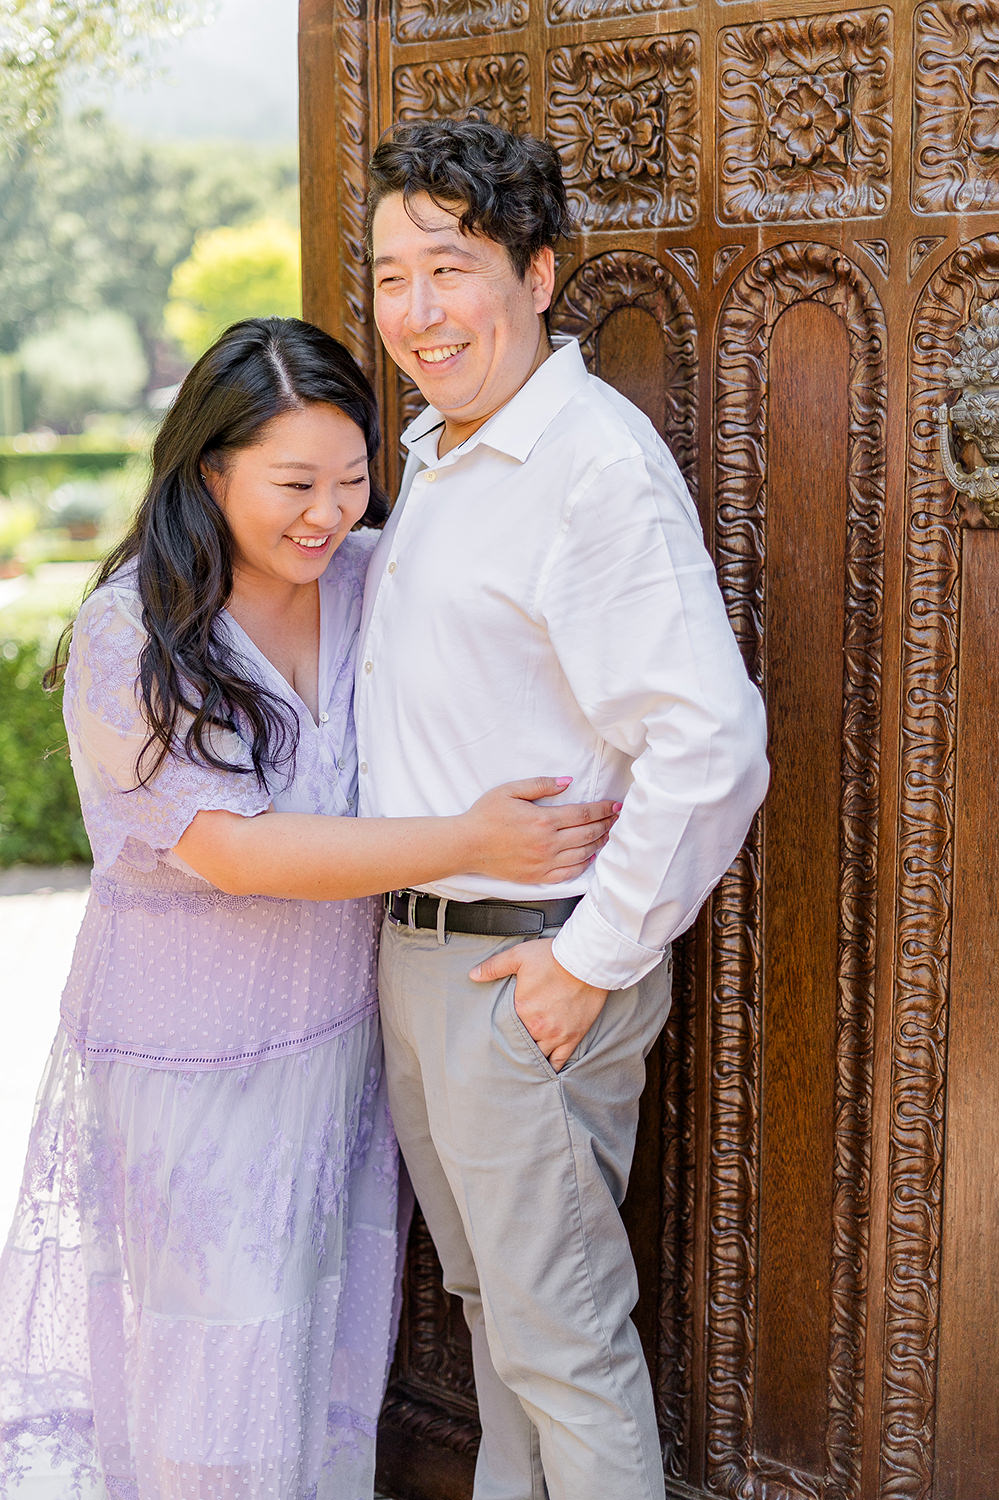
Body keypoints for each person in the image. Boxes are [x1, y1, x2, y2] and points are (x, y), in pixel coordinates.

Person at [0, 316, 619, 1500]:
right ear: (209, 468)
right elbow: (236, 850)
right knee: (209, 1367)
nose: (327, 514)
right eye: (294, 484)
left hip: (333, 1044)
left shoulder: (371, 576)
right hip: (186, 1063)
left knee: (313, 1350)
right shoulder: (128, 633)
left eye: (351, 479)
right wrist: (471, 838)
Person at [358, 119, 771, 1500]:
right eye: (390, 275)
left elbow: (710, 745)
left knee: (565, 1348)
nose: (416, 311)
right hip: (426, 953)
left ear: (536, 275)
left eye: (450, 268)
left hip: (520, 963)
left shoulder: (586, 466)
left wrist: (582, 963)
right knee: (502, 1320)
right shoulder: (442, 449)